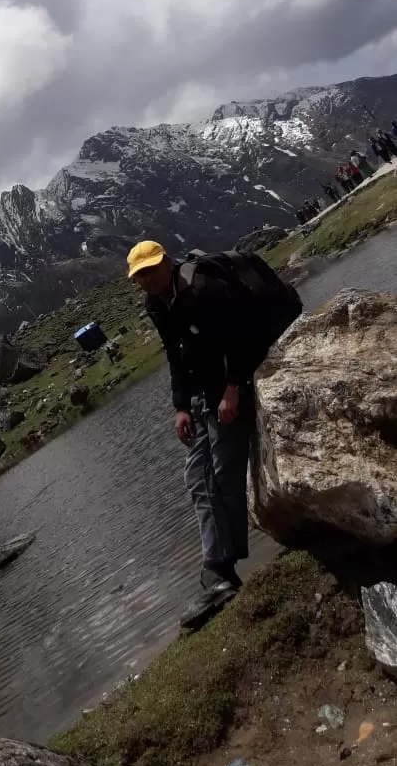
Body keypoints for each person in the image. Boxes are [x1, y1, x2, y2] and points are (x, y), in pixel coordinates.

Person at [127, 240, 301, 631]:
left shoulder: (204, 288)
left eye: (150, 271)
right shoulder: (157, 304)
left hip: (233, 378)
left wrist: (234, 387)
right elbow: (176, 353)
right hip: (207, 390)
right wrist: (181, 406)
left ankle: (221, 567)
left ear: (166, 263)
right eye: (139, 277)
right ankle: (217, 568)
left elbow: (243, 333)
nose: (146, 281)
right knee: (196, 476)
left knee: (223, 470)